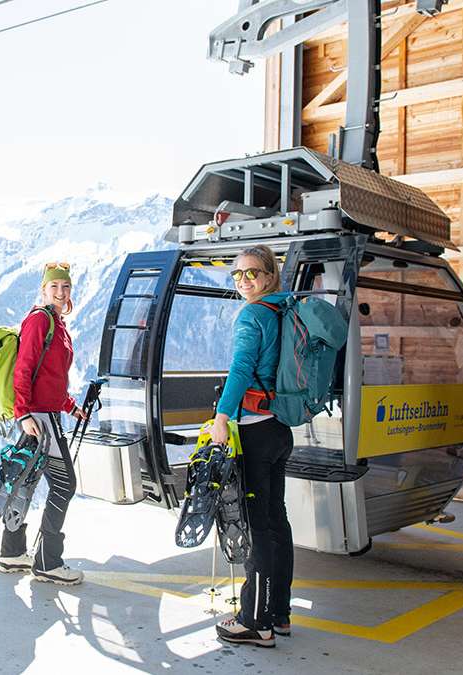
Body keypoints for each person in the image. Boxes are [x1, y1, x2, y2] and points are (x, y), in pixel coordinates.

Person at [209, 245, 294, 647]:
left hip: (255, 432)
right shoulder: (283, 310)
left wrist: (222, 417)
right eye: (238, 274)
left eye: (253, 273)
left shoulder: (253, 315)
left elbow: (241, 368)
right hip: (279, 429)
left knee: (256, 526)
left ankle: (254, 621)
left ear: (270, 276)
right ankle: (279, 613)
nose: (244, 281)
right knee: (277, 521)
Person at [0, 262, 88, 585]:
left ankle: (12, 553)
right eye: (54, 287)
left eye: (66, 286)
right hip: (38, 418)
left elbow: (50, 377)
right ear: (44, 290)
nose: (61, 292)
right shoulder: (40, 320)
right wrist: (23, 414)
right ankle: (48, 562)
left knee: (25, 479)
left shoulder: (56, 324)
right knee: (64, 485)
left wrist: (70, 406)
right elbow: (24, 368)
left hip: (45, 413)